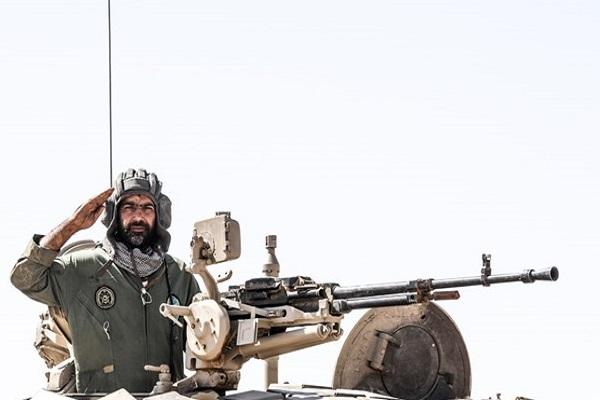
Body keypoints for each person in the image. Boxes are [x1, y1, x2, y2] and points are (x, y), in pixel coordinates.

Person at [10, 168, 200, 394]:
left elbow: (208, 341)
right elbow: (25, 277)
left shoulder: (179, 275)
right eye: (129, 207)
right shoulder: (82, 269)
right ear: (114, 215)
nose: (138, 216)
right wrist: (73, 224)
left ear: (160, 215)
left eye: (147, 208)